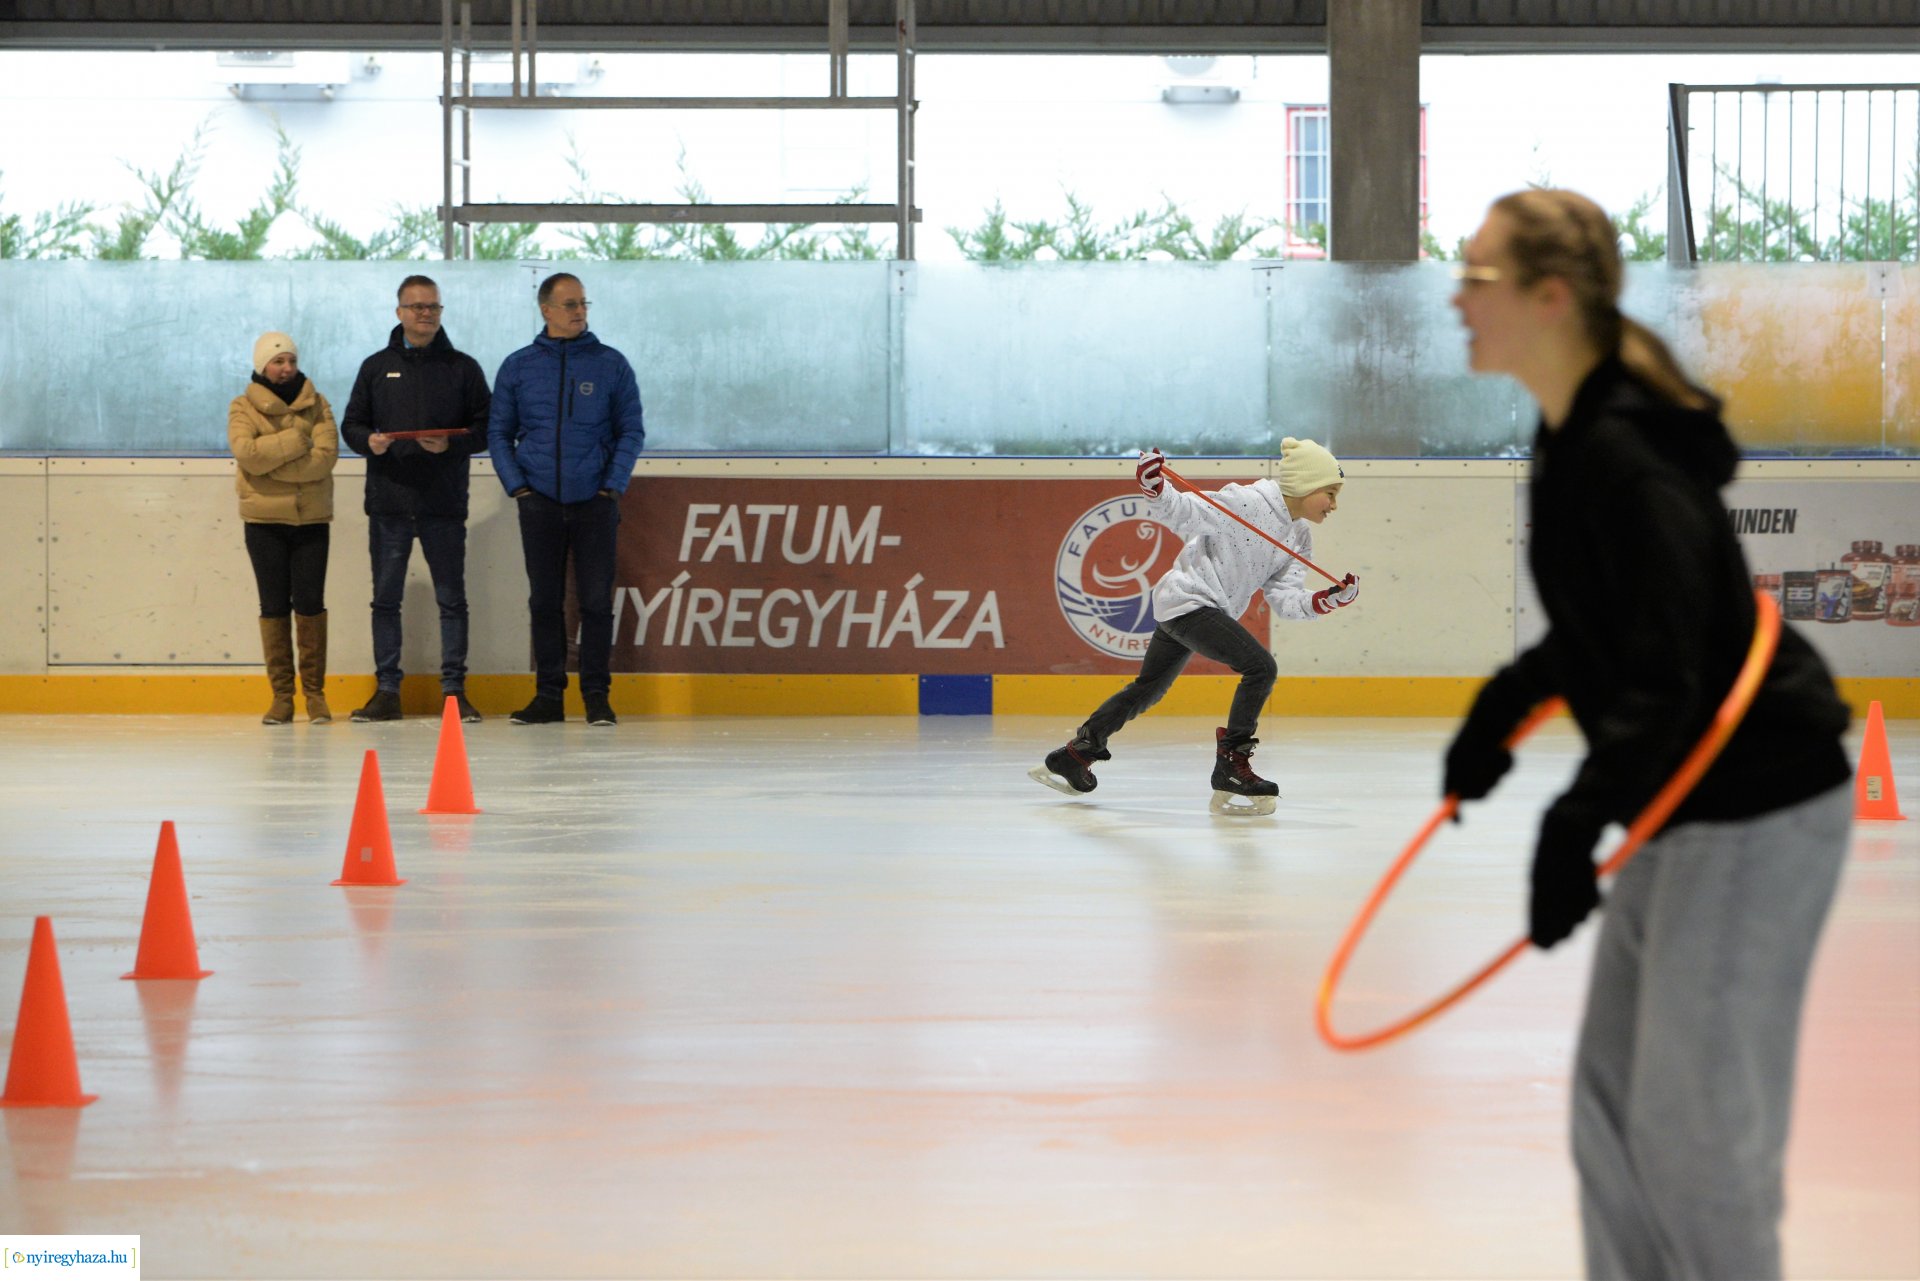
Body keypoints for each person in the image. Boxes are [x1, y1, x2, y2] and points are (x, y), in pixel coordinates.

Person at [1443, 188, 1853, 1280]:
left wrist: (1573, 820)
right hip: (1682, 803)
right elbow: (1607, 630)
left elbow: (1671, 670)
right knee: (1615, 1117)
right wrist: (1503, 709)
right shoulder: (1572, 433)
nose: (1457, 296)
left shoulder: (1629, 457)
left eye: (1478, 277)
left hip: (1758, 805)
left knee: (1696, 1138)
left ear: (1550, 296)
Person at [1030, 438, 1360, 815]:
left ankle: (1076, 754)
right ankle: (1232, 766)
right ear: (1304, 485)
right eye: (1329, 493)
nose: (1334, 504)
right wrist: (1155, 486)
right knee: (1261, 667)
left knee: (1147, 689)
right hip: (1190, 602)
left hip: (1190, 608)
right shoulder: (1248, 502)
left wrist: (1324, 600)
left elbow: (1285, 597)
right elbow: (1184, 511)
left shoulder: (1299, 535)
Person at [488, 272, 646, 726]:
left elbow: (630, 431)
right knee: (545, 602)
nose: (580, 311)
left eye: (584, 303)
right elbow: (499, 432)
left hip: (595, 502)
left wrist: (610, 487)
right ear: (546, 310)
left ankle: (597, 696)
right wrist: (518, 486)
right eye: (571, 304)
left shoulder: (611, 364)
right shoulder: (518, 366)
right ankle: (548, 697)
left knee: (596, 602)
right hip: (538, 500)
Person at [340, 275, 493, 724]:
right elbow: (352, 425)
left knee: (452, 600)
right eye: (416, 306)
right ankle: (387, 691)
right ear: (399, 312)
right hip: (389, 503)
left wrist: (452, 446)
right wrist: (369, 441)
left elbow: (486, 428)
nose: (425, 313)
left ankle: (453, 693)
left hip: (443, 503)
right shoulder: (374, 367)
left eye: (433, 307)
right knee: (385, 600)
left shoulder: (463, 368)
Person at [227, 331, 340, 725]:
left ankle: (315, 694)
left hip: (310, 522)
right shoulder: (242, 407)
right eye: (278, 361)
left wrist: (273, 459)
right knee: (273, 607)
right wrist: (296, 440)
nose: (286, 368)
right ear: (262, 366)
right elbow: (247, 455)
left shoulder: (319, 404)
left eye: (290, 360)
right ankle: (282, 697)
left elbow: (324, 460)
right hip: (264, 523)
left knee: (310, 606)